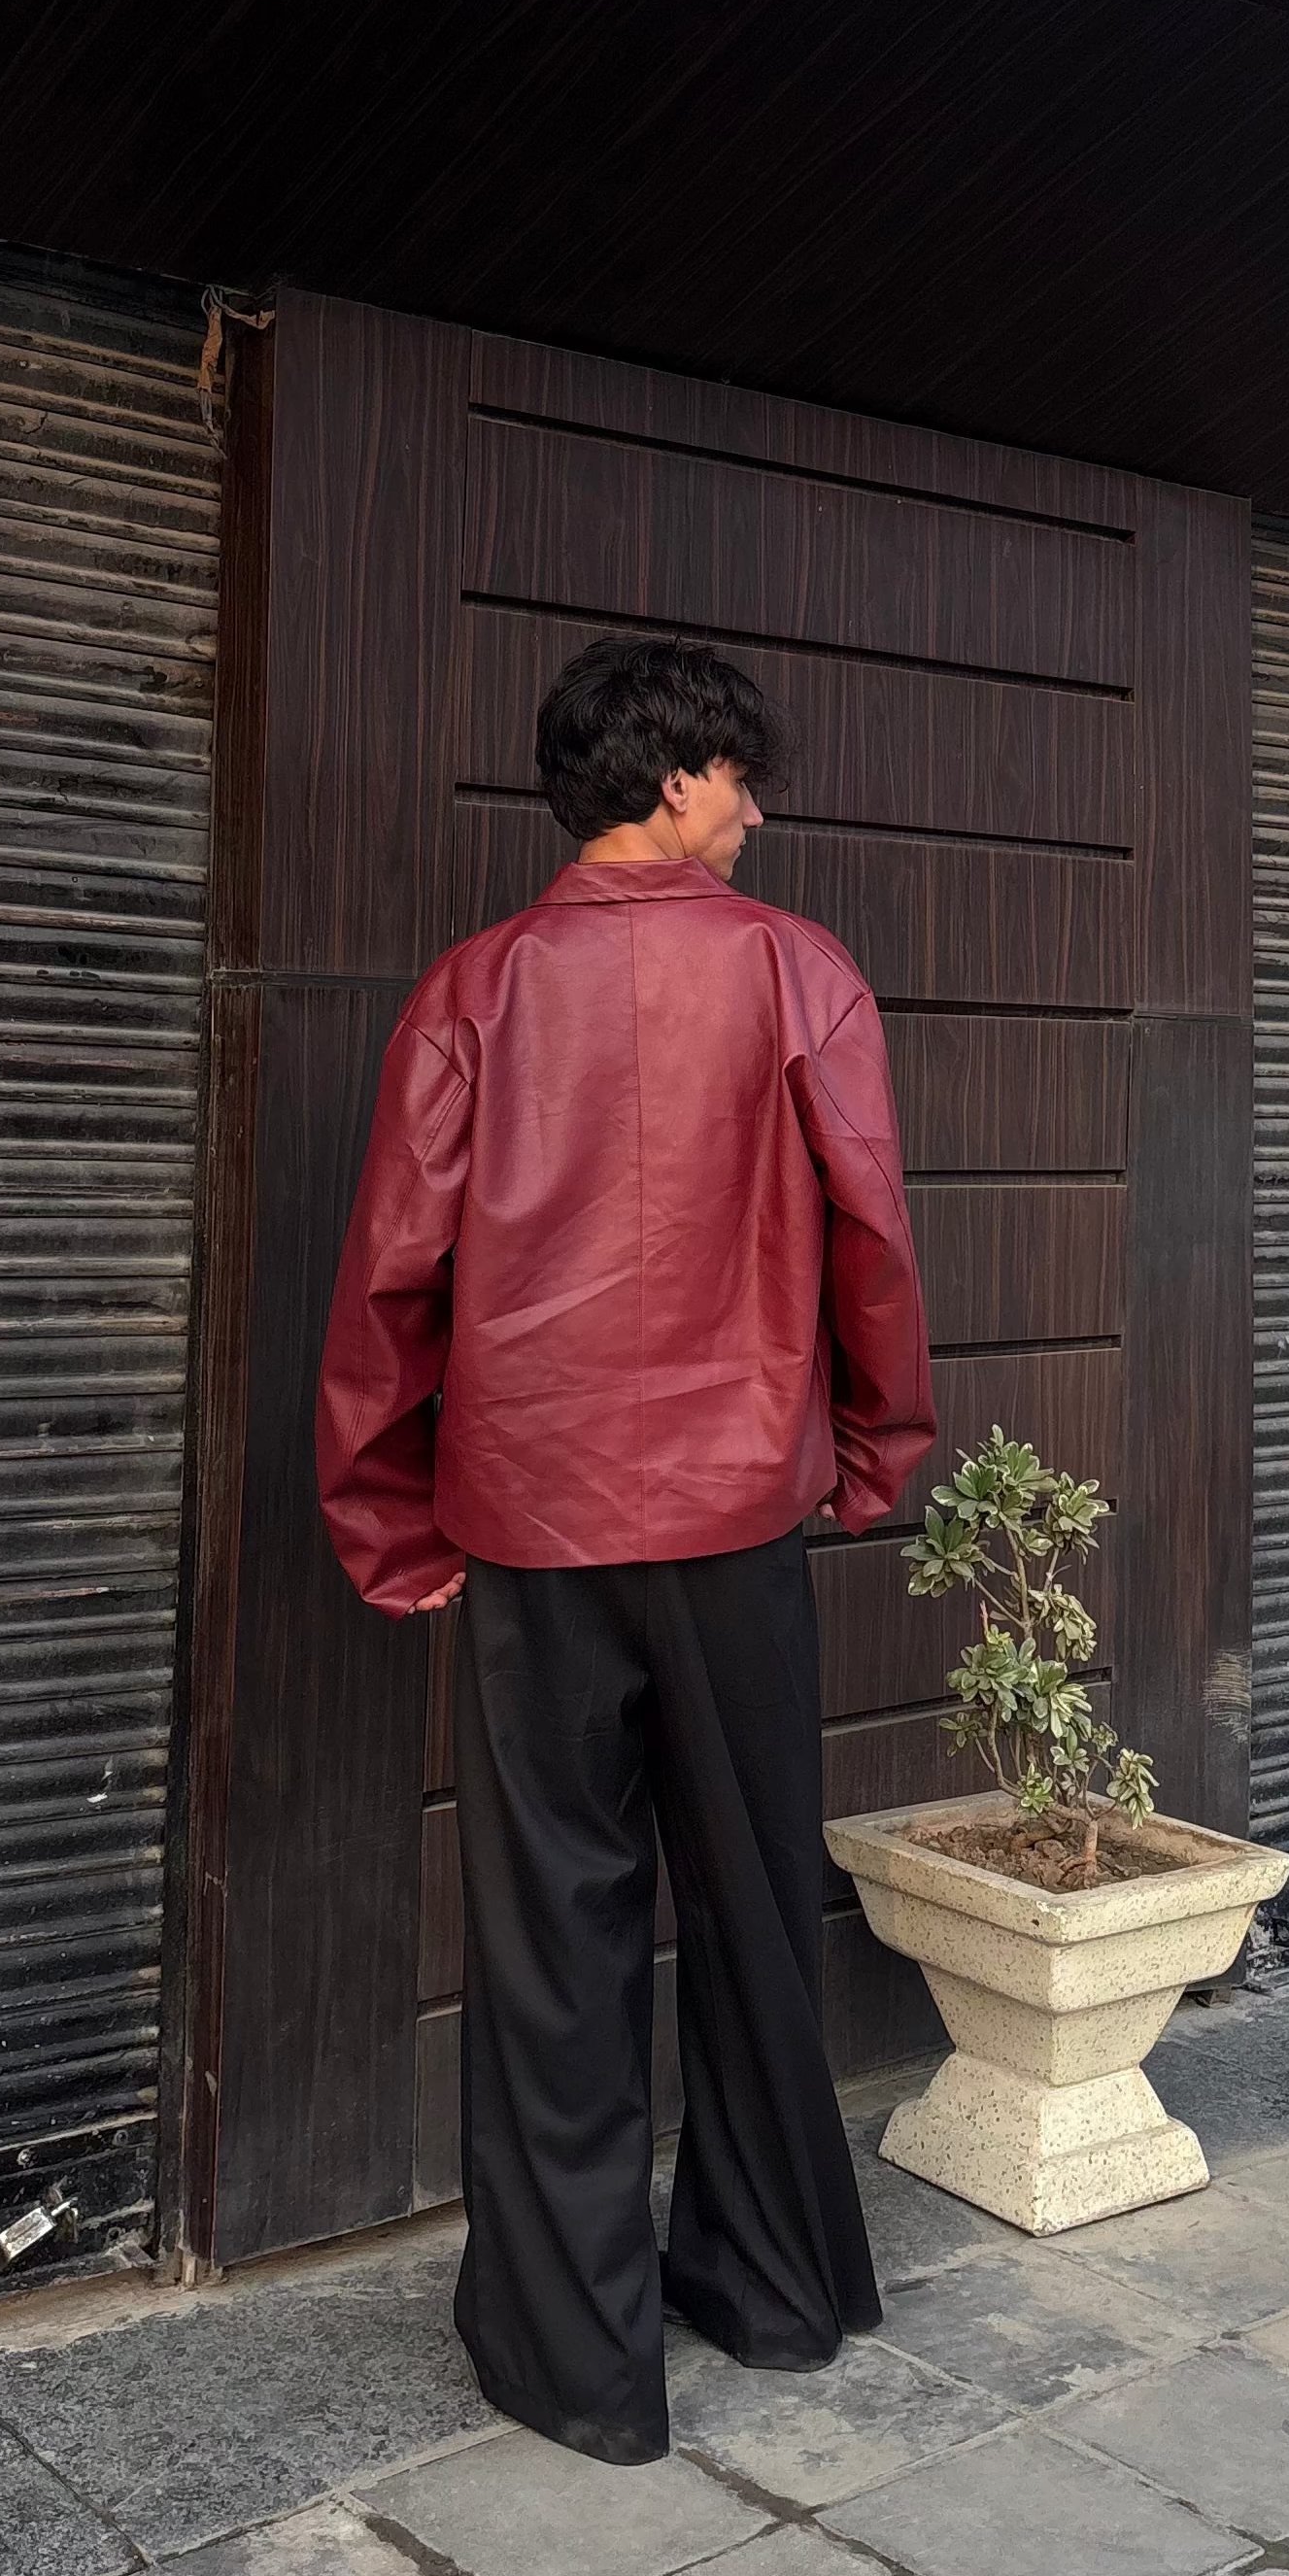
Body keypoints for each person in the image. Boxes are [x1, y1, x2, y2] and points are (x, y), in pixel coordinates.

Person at [315, 634, 936, 2465]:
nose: (756, 806)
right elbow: (873, 1243)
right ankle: (766, 2291)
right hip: (739, 1512)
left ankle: (577, 2363)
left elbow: (389, 1280)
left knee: (552, 1934)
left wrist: (385, 1513)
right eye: (739, 774)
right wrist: (875, 1452)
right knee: (750, 1903)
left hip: (532, 1523)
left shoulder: (473, 991)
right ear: (669, 779)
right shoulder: (796, 971)